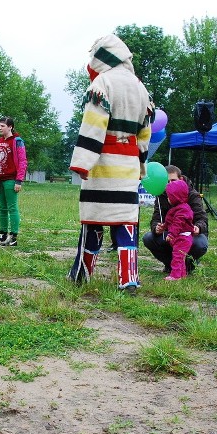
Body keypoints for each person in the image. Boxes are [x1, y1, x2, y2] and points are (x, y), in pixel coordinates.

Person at [67, 34, 153, 295]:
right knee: (126, 220)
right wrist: (141, 163)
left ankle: (82, 274)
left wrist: (82, 163)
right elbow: (144, 133)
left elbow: (94, 126)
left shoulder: (102, 83)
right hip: (126, 166)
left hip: (103, 164)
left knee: (94, 219)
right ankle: (129, 279)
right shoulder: (140, 88)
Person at [142, 165, 209, 274]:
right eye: (167, 182)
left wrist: (198, 227)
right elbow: (155, 219)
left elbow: (202, 219)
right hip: (170, 235)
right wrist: (156, 228)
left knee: (200, 243)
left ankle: (187, 265)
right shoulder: (161, 196)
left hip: (189, 234)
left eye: (173, 180)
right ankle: (170, 264)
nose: (170, 184)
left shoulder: (193, 195)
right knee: (148, 238)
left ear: (181, 179)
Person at [0, 116, 28, 247]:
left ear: (10, 127)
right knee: (2, 208)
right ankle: (2, 235)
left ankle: (13, 237)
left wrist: (19, 180)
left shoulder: (17, 141)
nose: (0, 128)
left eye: (2, 126)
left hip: (11, 179)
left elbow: (23, 161)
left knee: (12, 207)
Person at [160, 179, 194, 281]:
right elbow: (171, 221)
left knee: (177, 256)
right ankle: (181, 274)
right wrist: (164, 226)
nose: (167, 198)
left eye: (169, 196)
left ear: (176, 197)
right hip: (180, 237)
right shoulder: (177, 208)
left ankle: (175, 276)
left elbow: (177, 224)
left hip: (182, 237)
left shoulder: (182, 209)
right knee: (180, 256)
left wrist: (171, 234)